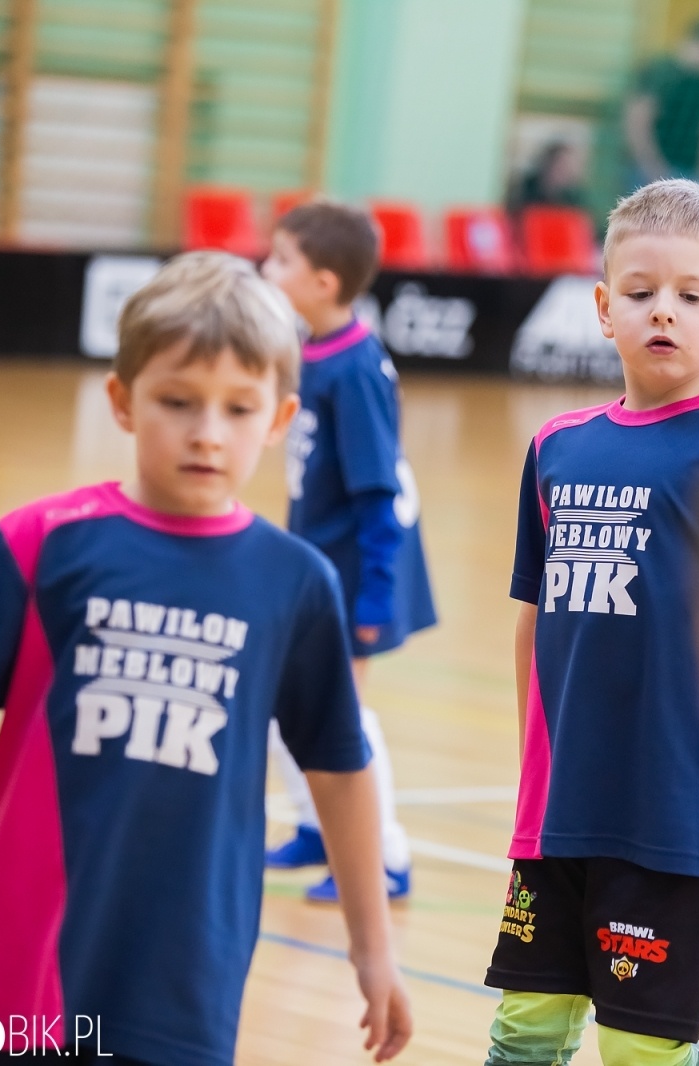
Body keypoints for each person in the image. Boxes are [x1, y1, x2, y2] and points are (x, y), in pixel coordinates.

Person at [0, 252, 411, 1064]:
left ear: (280, 417)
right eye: (177, 402)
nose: (205, 432)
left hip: (185, 970)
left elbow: (337, 767)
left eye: (238, 408)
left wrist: (372, 947)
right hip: (16, 954)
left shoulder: (294, 582)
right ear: (122, 401)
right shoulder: (42, 544)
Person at [483, 179, 699, 1066]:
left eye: (692, 296)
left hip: (675, 820)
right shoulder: (556, 448)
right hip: (558, 809)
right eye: (639, 294)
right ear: (603, 309)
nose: (663, 314)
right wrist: (535, 764)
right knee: (524, 1036)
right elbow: (533, 620)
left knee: (643, 1052)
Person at [260, 200, 438, 903]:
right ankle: (316, 825)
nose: (266, 270)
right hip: (318, 567)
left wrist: (373, 595)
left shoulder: (356, 369)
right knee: (285, 704)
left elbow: (378, 493)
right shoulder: (313, 350)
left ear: (324, 282)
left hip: (358, 572)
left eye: (280, 260)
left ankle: (383, 858)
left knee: (343, 716)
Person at [624, 18, 699, 187]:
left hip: (690, 174)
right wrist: (651, 166)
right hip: (651, 170)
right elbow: (638, 122)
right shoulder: (661, 71)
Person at [510, 140, 588, 216]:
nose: (563, 171)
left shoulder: (574, 198)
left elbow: (590, 224)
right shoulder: (527, 189)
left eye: (568, 167)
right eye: (560, 165)